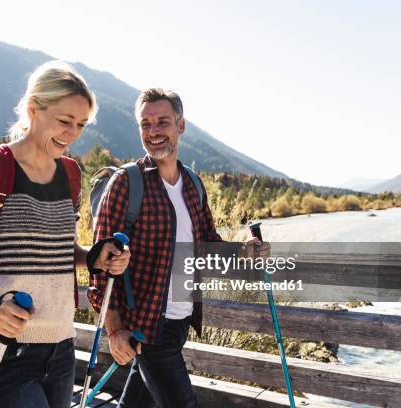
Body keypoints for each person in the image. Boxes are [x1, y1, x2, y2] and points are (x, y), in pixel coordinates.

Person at [0, 61, 130, 408]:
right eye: (65, 121)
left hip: (61, 347)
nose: (72, 133)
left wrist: (94, 257)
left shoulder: (69, 175)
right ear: (33, 109)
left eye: (81, 125)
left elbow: (61, 251)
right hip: (1, 348)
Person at [88, 88, 270, 408]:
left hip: (180, 322)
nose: (154, 132)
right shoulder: (127, 183)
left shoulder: (193, 185)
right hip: (147, 328)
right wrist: (114, 328)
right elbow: (102, 264)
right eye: (145, 124)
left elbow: (206, 246)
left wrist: (244, 252)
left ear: (180, 126)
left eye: (163, 122)